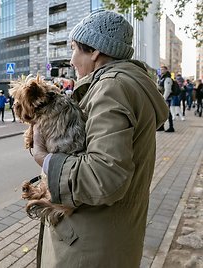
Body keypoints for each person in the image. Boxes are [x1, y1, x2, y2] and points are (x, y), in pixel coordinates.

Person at [32, 10, 168, 267]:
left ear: (94, 51)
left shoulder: (112, 88)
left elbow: (104, 177)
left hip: (89, 249)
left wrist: (44, 158)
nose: (72, 60)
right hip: (111, 238)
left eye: (74, 49)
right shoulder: (127, 84)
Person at [159, 66, 176, 132]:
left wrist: (163, 99)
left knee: (168, 112)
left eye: (163, 69)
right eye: (161, 69)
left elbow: (168, 90)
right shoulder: (162, 78)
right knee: (162, 112)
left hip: (166, 98)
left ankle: (171, 127)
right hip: (163, 98)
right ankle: (161, 126)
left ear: (166, 70)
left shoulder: (167, 79)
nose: (161, 70)